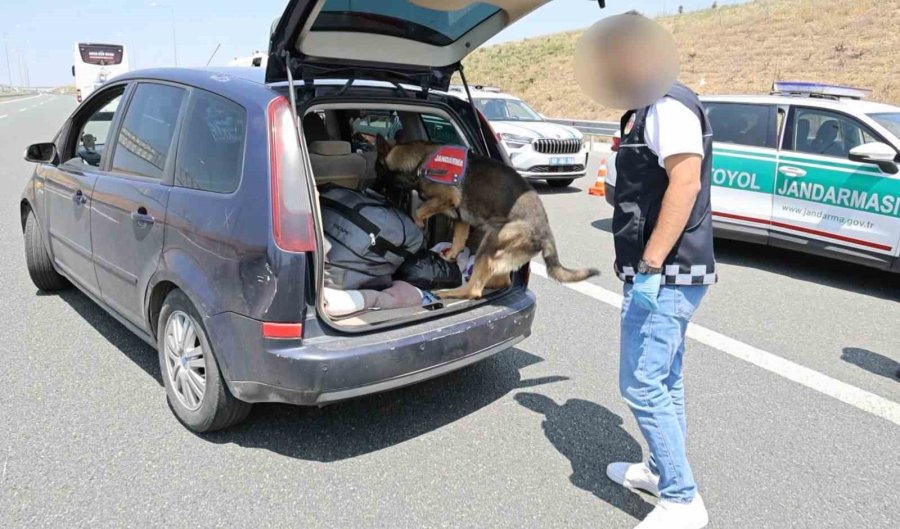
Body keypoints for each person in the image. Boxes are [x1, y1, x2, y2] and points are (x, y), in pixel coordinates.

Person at [574, 13, 716, 529]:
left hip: (667, 272)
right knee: (666, 379)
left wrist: (651, 265)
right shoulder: (645, 108)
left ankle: (681, 499)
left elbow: (685, 184)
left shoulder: (669, 106)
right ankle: (660, 471)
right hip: (663, 270)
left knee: (641, 383)